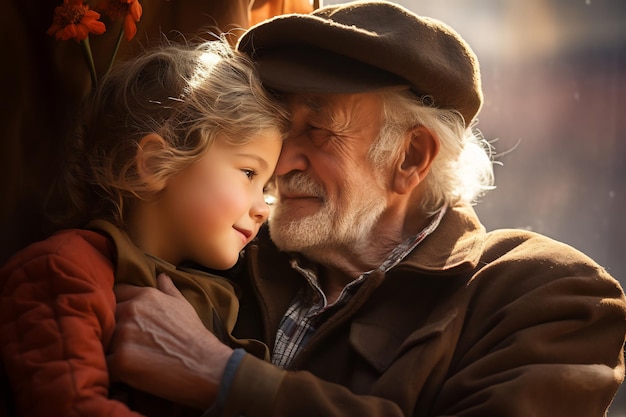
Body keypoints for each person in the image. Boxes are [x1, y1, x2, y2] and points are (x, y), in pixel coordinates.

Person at [106, 1, 626, 416]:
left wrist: (220, 375)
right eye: (278, 130)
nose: (280, 162)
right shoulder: (222, 241)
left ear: (410, 157)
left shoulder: (546, 292)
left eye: (317, 129)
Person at [0, 36, 289, 417]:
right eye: (249, 172)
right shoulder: (62, 269)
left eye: (266, 188)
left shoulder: (210, 296)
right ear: (156, 163)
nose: (262, 209)